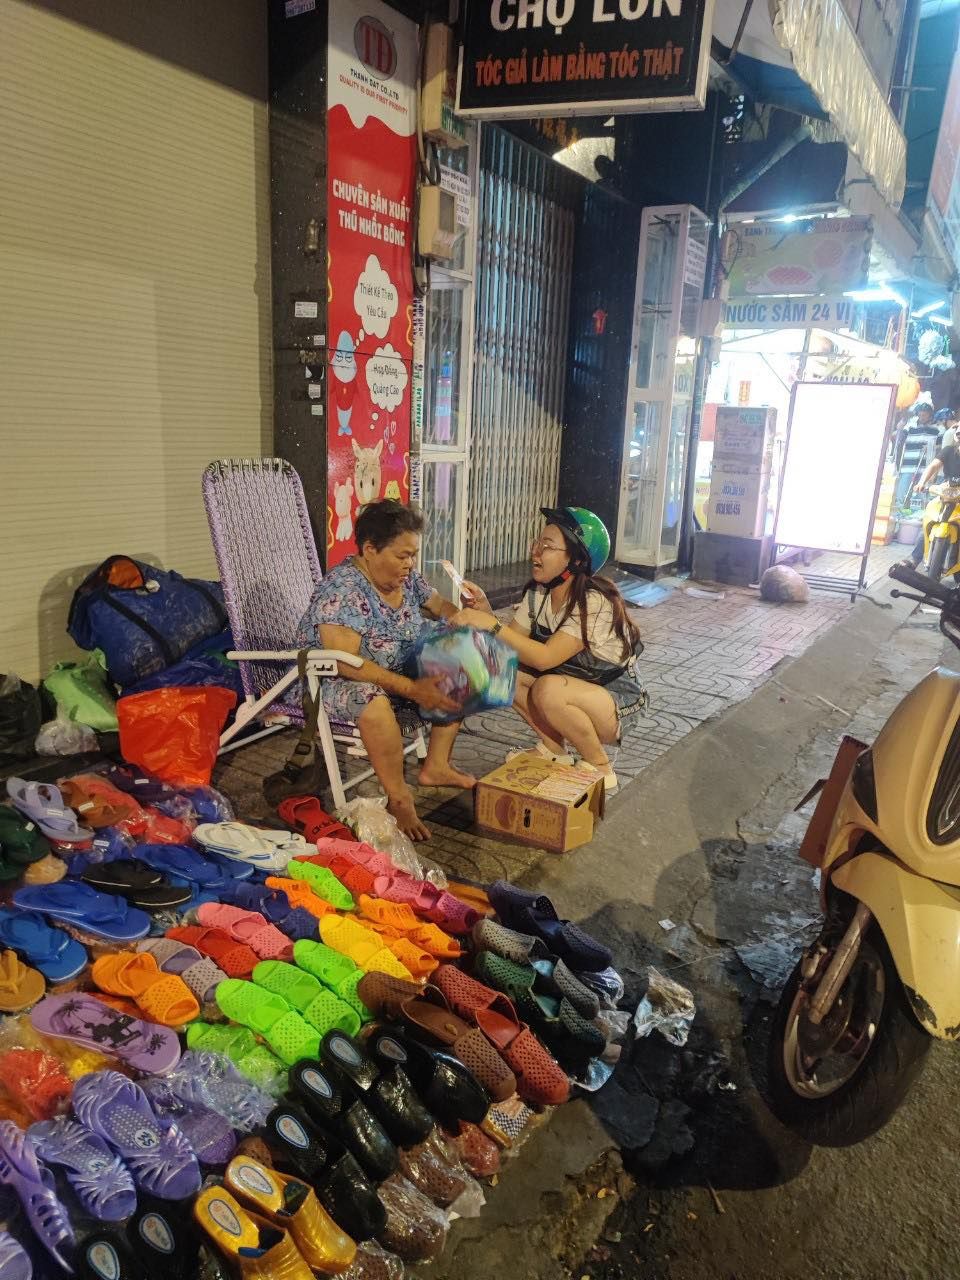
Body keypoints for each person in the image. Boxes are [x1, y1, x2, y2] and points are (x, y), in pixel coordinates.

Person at [295, 499, 478, 842]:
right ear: (370, 549)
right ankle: (399, 798)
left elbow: (440, 606)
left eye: (413, 555)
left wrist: (464, 616)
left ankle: (436, 765)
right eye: (402, 555)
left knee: (459, 665)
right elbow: (344, 662)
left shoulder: (405, 578)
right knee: (373, 701)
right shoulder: (343, 590)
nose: (410, 564)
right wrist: (411, 688)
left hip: (392, 673)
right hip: (330, 682)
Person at [453, 506, 646, 792]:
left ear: (576, 560)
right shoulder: (538, 594)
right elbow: (508, 646)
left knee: (548, 689)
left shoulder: (592, 603)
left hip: (616, 702)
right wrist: (486, 611)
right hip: (573, 688)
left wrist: (490, 625)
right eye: (537, 543)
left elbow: (545, 659)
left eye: (548, 546)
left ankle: (600, 766)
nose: (536, 552)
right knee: (501, 670)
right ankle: (554, 750)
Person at [899, 436, 960, 568]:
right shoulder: (948, 450)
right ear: (956, 437)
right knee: (930, 520)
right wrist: (922, 482)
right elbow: (933, 466)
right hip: (946, 493)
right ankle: (915, 559)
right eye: (959, 434)